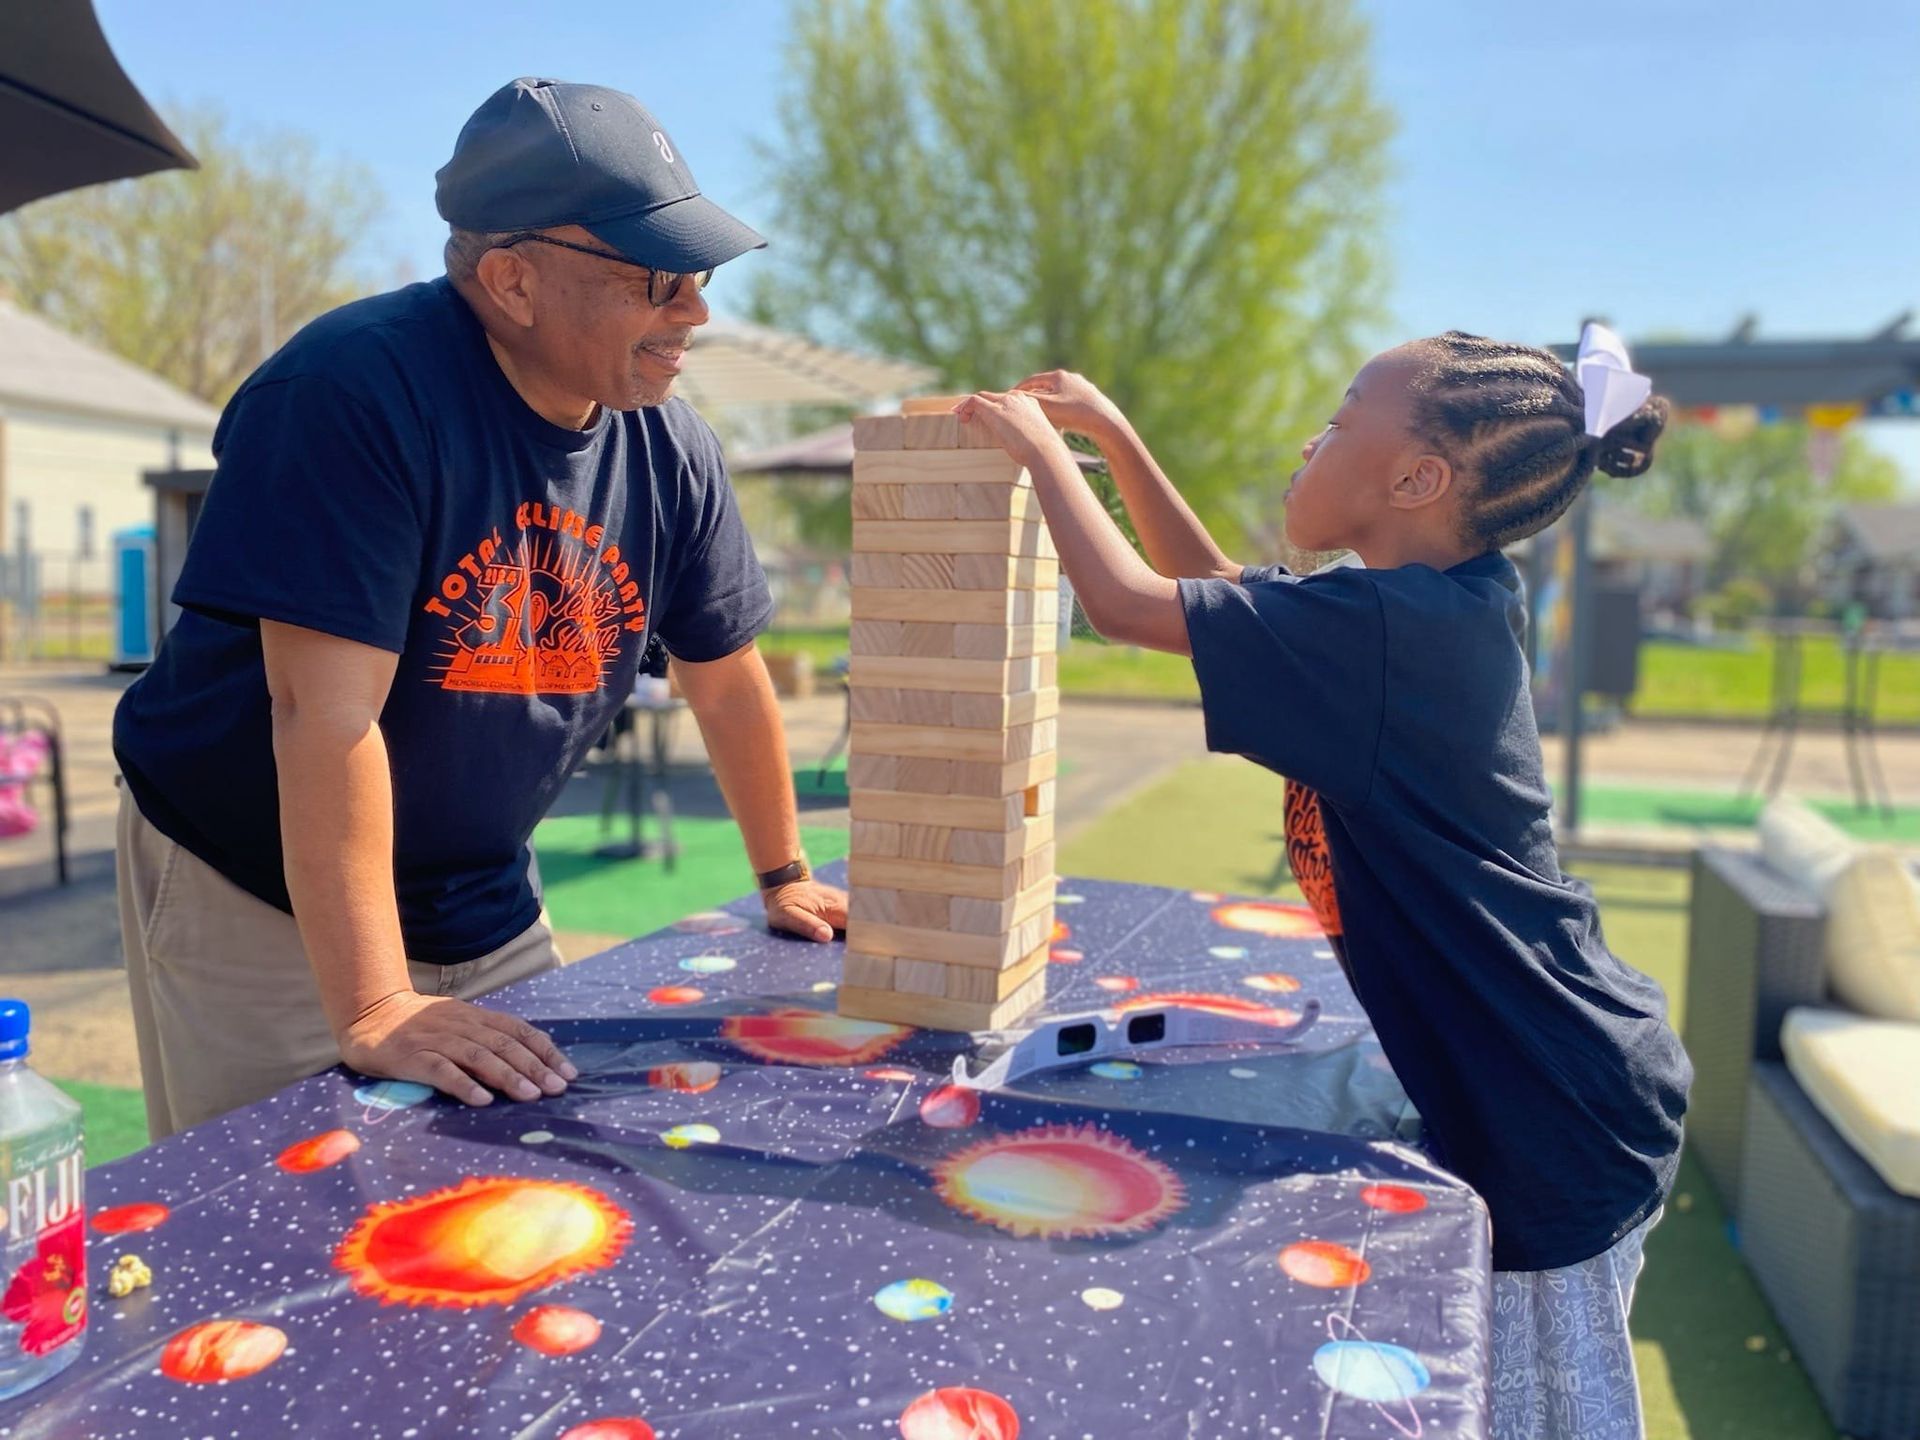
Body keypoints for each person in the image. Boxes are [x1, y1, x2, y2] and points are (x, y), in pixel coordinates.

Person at [955, 328, 1691, 1440]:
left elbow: (1124, 604)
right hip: (1551, 1071)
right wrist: (1110, 434)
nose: (1313, 438)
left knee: (1534, 1417)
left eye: (1344, 420)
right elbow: (1211, 596)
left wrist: (1036, 452)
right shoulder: (1427, 607)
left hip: (1551, 1115)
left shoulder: (1396, 633)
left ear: (1416, 479)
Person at [112, 78, 846, 1140]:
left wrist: (785, 875)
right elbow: (324, 718)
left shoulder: (670, 446)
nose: (696, 312)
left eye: (700, 276)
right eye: (660, 278)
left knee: (523, 1184)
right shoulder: (351, 392)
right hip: (255, 880)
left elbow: (726, 679)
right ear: (512, 279)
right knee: (272, 1231)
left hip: (481, 885)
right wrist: (374, 1005)